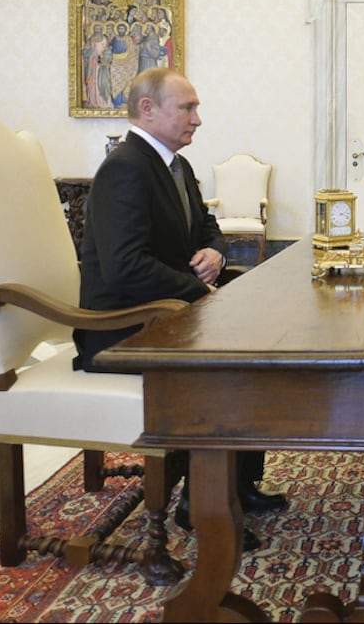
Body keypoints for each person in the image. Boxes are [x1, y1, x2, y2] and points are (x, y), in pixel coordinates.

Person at [74, 67, 287, 551]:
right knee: (230, 367)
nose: (198, 119)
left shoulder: (175, 165)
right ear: (147, 109)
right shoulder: (125, 167)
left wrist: (215, 252)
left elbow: (207, 227)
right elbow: (125, 268)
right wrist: (200, 290)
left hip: (170, 313)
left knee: (257, 342)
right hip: (123, 331)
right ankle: (203, 506)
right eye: (187, 107)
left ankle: (237, 484)